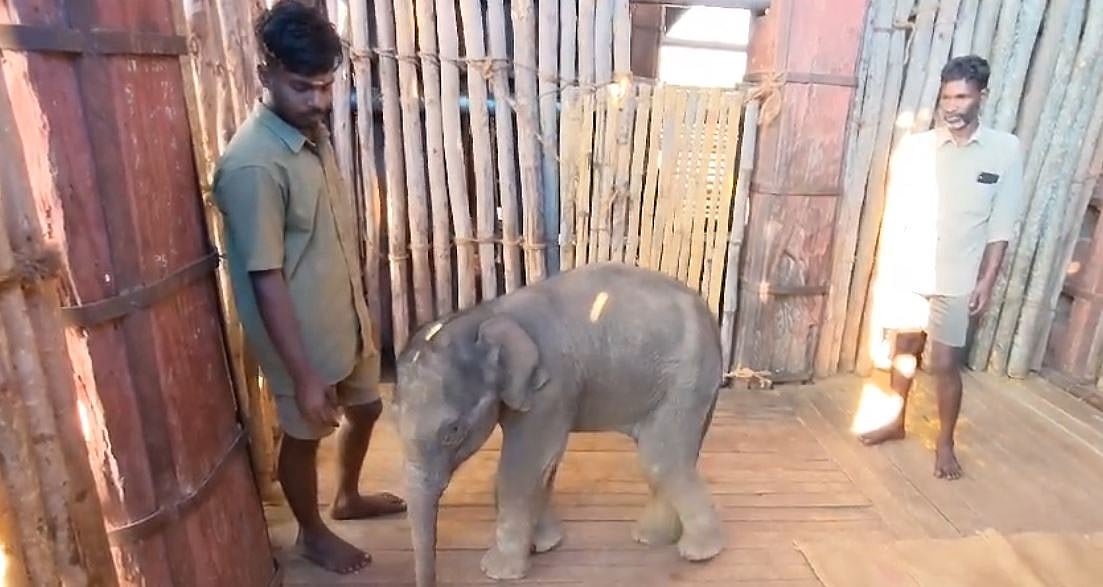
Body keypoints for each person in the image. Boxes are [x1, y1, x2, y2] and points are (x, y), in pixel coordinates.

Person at [212, 0, 405, 574]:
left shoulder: (310, 133)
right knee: (305, 435)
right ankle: (311, 533)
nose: (320, 101)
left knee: (367, 407)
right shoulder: (252, 166)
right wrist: (302, 374)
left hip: (342, 317)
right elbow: (264, 276)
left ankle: (346, 497)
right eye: (303, 87)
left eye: (326, 86)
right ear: (264, 73)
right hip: (298, 338)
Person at [861, 55, 1026, 480]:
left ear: (982, 97)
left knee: (946, 364)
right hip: (910, 271)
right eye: (946, 96)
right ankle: (896, 422)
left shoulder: (1004, 150)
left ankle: (946, 442)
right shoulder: (917, 148)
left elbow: (1002, 224)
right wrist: (888, 272)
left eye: (962, 97)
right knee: (904, 352)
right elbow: (896, 213)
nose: (952, 105)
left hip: (957, 279)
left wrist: (986, 281)